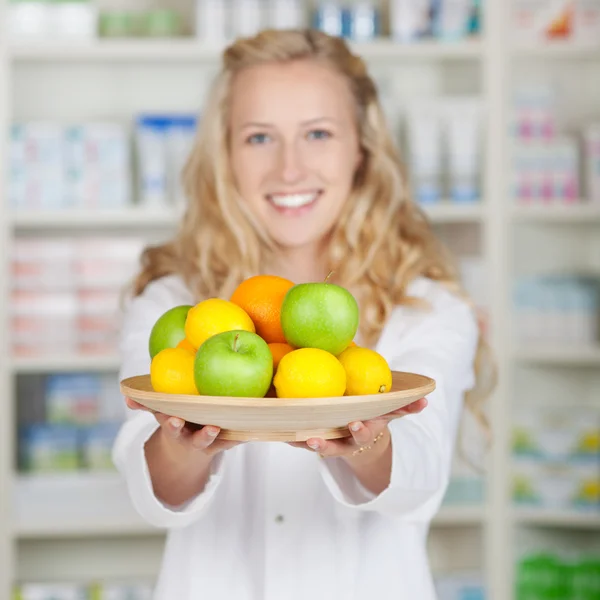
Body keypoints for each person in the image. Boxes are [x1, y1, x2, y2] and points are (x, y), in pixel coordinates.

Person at [113, 28, 494, 600]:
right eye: (259, 137)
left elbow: (420, 478)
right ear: (225, 154)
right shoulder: (175, 304)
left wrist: (372, 441)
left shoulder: (429, 306)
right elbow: (152, 497)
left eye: (318, 133)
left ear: (361, 150)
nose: (290, 169)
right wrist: (179, 443)